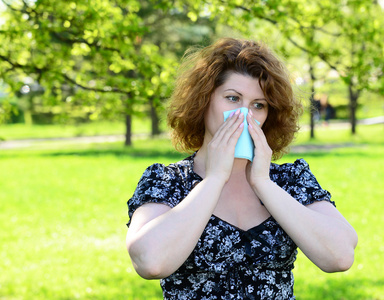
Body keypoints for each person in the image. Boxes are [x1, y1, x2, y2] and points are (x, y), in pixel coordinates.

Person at [126, 38, 358, 299]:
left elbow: (340, 256)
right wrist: (214, 180)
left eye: (258, 105)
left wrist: (263, 183)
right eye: (233, 98)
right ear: (203, 101)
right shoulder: (167, 181)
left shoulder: (289, 179)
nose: (244, 114)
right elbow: (150, 262)